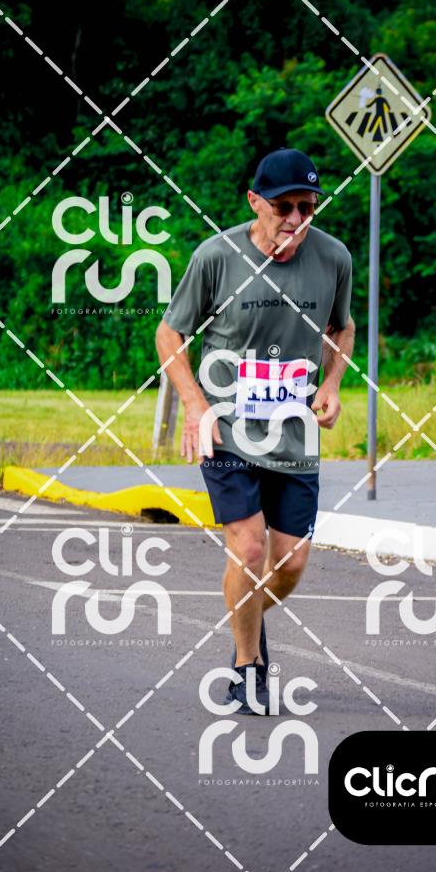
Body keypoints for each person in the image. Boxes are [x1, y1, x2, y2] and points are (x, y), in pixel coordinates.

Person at [155, 147, 355, 714]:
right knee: (247, 548)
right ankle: (247, 669)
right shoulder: (216, 256)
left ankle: (243, 615)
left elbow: (342, 328)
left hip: (293, 433)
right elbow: (170, 335)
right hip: (229, 427)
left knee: (290, 565)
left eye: (306, 207)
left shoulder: (333, 257)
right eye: (283, 207)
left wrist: (332, 382)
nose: (295, 219)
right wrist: (195, 404)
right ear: (254, 202)